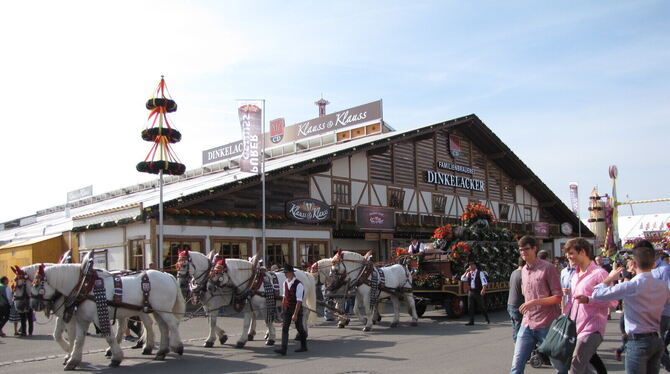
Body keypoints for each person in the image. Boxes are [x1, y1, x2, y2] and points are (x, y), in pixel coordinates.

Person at [592, 245, 670, 374]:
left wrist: (610, 278)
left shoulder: (631, 285)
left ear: (634, 264)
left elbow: (597, 294)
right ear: (653, 264)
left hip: (637, 340)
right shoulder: (662, 286)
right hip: (656, 338)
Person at [509, 235, 564, 374]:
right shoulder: (524, 271)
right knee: (516, 364)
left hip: (547, 324)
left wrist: (534, 302)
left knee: (559, 366)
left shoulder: (548, 268)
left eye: (526, 249)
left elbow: (558, 297)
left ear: (535, 249)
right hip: (527, 323)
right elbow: (525, 290)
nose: (523, 253)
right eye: (521, 250)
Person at [564, 238, 618, 374]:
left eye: (571, 253)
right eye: (567, 254)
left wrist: (589, 300)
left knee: (574, 366)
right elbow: (572, 301)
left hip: (592, 329)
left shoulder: (599, 274)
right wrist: (565, 316)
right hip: (575, 327)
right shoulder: (575, 274)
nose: (568, 257)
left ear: (582, 252)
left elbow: (613, 301)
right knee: (584, 368)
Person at [275, 264, 307, 356]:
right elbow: (284, 297)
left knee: (299, 328)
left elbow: (299, 300)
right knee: (285, 328)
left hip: (296, 308)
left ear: (291, 273)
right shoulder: (285, 282)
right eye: (284, 273)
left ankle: (304, 346)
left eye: (286, 273)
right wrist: (282, 311)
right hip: (287, 309)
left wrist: (295, 314)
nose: (285, 274)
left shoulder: (299, 284)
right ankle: (283, 349)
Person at [461, 261, 489, 325]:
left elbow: (484, 281)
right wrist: (466, 272)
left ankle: (486, 318)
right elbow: (462, 278)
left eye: (472, 265)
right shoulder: (469, 273)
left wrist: (483, 289)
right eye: (469, 266)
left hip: (478, 291)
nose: (470, 267)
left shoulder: (480, 273)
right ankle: (471, 321)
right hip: (471, 291)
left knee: (481, 306)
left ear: (475, 266)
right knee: (470, 307)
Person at [507, 257, 525, 341]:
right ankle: (518, 350)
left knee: (515, 327)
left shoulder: (514, 272)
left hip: (511, 303)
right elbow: (524, 292)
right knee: (519, 330)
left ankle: (516, 347)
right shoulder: (523, 274)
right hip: (519, 304)